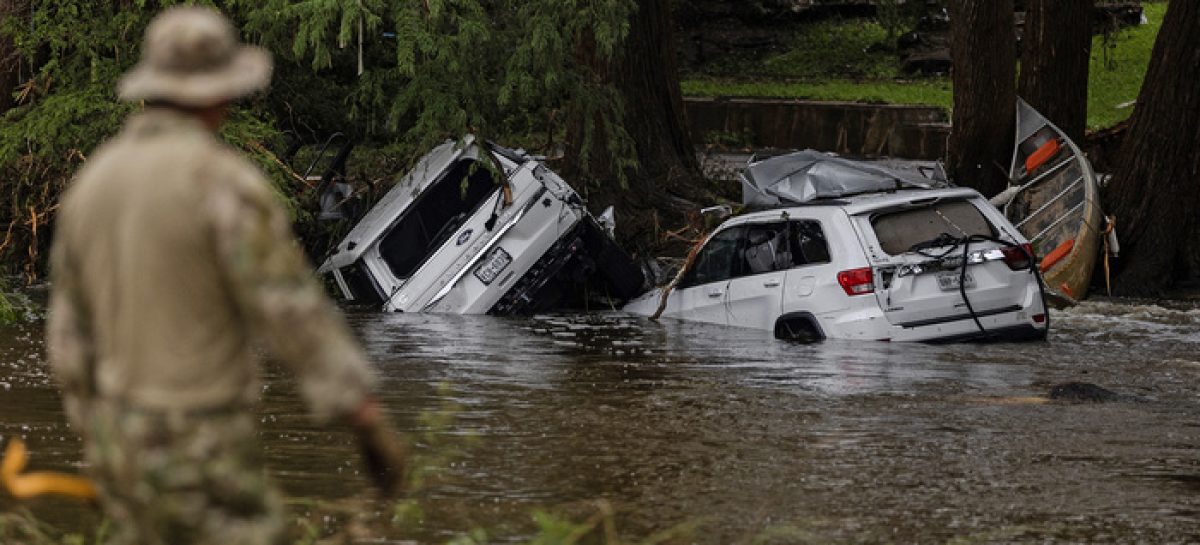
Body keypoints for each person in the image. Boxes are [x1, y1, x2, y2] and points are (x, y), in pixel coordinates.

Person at [45, 6, 406, 544]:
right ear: (218, 94)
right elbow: (288, 308)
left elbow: (67, 337)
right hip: (202, 441)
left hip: (116, 442)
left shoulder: (92, 184)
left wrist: (98, 430)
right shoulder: (222, 182)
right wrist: (363, 411)